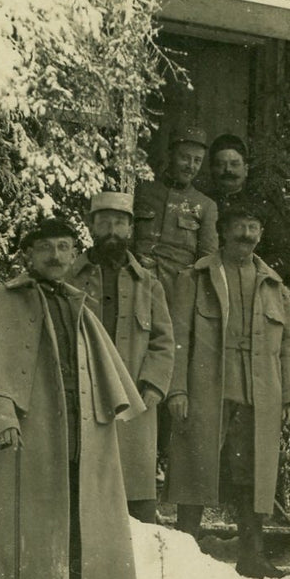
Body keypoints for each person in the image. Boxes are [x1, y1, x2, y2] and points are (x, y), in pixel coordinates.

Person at [0, 217, 143, 579]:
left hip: (81, 427)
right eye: (45, 248)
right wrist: (1, 421)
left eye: (64, 247)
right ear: (28, 255)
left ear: (74, 254)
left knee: (80, 510)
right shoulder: (3, 301)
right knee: (31, 517)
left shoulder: (78, 304)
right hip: (32, 429)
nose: (55, 256)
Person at [165, 202, 290, 579]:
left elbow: (289, 346)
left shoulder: (275, 286)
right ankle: (185, 554)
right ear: (223, 232)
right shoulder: (195, 278)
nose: (247, 234)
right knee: (195, 468)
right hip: (207, 390)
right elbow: (178, 338)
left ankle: (252, 555)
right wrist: (177, 389)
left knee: (252, 476)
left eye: (254, 226)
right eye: (240, 226)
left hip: (259, 395)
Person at [69, 192, 175, 524]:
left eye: (119, 222)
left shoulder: (148, 283)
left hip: (134, 397)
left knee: (135, 488)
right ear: (91, 226)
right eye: (104, 222)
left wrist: (155, 386)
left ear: (129, 228)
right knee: (83, 481)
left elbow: (163, 340)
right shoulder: (70, 278)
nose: (111, 230)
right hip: (83, 392)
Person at [132, 127, 219, 296]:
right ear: (170, 155)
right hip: (137, 282)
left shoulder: (206, 206)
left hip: (177, 292)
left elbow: (207, 260)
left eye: (197, 161)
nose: (191, 166)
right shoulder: (143, 192)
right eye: (185, 158)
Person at [206, 133, 250, 214]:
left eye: (234, 164)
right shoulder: (201, 203)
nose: (228, 169)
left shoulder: (261, 207)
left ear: (246, 169)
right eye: (221, 164)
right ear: (211, 169)